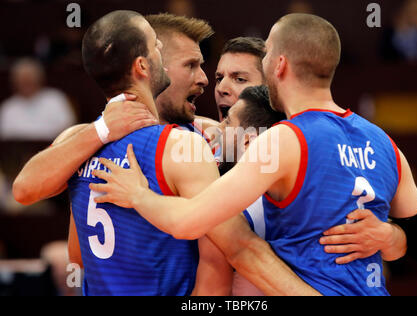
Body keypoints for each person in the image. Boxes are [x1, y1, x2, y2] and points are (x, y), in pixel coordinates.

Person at [90, 13, 417, 296]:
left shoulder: (281, 140)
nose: (221, 86)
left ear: (279, 65)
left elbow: (187, 222)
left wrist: (136, 194)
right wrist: (393, 237)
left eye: (262, 59)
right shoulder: (384, 142)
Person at [14, 11, 321, 296]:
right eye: (191, 65)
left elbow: (76, 256)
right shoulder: (185, 145)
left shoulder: (80, 141)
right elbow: (229, 257)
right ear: (147, 65)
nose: (204, 78)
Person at [0, 58, 76, 140]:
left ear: (39, 78)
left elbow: (69, 129)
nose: (26, 83)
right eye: (22, 80)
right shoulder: (8, 107)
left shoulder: (55, 99)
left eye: (29, 79)